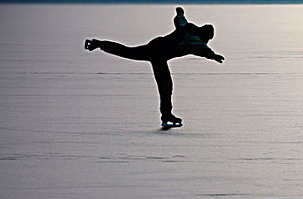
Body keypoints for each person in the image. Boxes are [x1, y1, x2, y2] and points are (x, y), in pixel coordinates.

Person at [84, 7, 224, 127]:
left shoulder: (188, 29)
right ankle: (166, 115)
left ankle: (97, 44)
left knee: (130, 53)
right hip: (158, 53)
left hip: (157, 48)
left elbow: (181, 20)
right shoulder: (195, 40)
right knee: (165, 85)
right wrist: (214, 56)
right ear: (204, 33)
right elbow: (203, 49)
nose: (207, 41)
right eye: (208, 38)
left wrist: (180, 12)